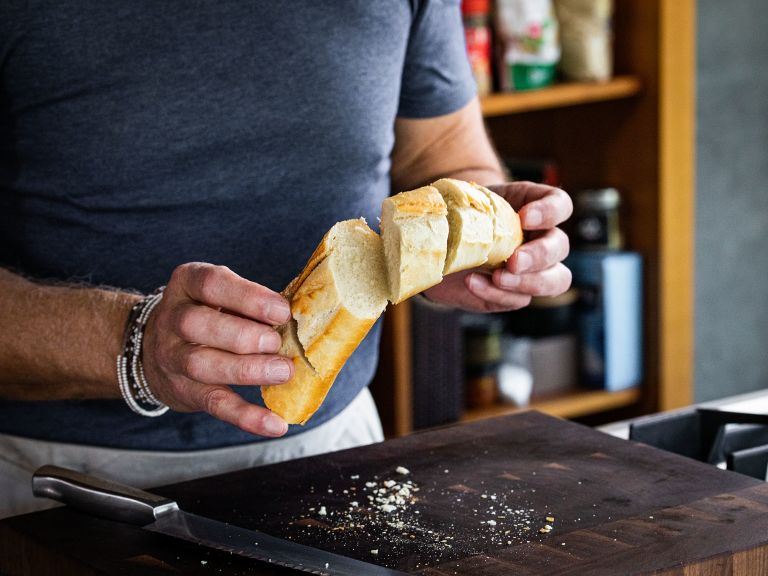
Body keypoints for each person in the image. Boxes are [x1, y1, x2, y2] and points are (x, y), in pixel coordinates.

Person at [0, 1, 572, 518]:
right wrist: (132, 345)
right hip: (60, 482)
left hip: (335, 450)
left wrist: (468, 235)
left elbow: (441, 147)